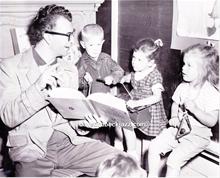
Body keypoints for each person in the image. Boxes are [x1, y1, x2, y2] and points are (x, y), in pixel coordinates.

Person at [0, 4, 125, 177]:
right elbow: (8, 117)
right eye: (68, 35)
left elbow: (72, 118)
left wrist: (85, 123)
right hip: (33, 151)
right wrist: (38, 88)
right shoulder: (9, 67)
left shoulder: (69, 70)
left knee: (125, 165)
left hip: (69, 145)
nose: (72, 42)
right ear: (47, 36)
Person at [147, 43, 219, 177]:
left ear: (204, 70)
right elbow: (175, 104)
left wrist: (196, 110)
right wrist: (174, 117)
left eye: (189, 65)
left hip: (197, 136)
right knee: (154, 147)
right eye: (184, 64)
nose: (184, 68)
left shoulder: (211, 93)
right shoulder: (183, 86)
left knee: (173, 161)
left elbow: (212, 121)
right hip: (178, 129)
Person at [119, 38, 168, 159]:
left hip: (149, 111)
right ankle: (129, 151)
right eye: (134, 57)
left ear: (151, 63)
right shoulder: (138, 70)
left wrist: (137, 104)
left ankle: (133, 154)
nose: (134, 62)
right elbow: (133, 76)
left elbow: (157, 97)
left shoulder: (154, 76)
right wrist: (125, 78)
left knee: (148, 141)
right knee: (122, 120)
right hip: (137, 106)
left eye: (139, 59)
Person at [77, 24, 124, 142]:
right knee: (93, 133)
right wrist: (83, 81)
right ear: (83, 45)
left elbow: (119, 71)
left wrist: (112, 77)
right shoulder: (82, 62)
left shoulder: (106, 58)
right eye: (91, 45)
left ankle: (107, 149)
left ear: (102, 43)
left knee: (107, 129)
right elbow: (75, 83)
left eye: (98, 44)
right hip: (90, 103)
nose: (95, 48)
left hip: (105, 100)